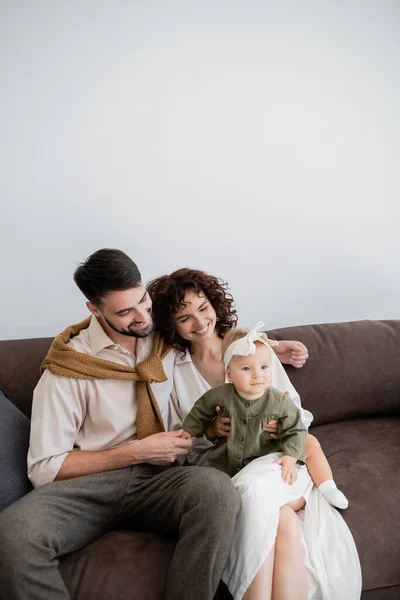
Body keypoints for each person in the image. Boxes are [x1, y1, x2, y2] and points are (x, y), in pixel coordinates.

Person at [0, 249, 240, 600]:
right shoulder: (68, 368)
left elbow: (213, 337)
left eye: (143, 300)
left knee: (217, 492)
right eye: (126, 311)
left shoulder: (164, 337)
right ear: (94, 310)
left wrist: (268, 348)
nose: (143, 316)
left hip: (162, 478)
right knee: (12, 535)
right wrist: (134, 452)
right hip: (89, 486)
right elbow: (44, 468)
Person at [148, 268, 361, 600]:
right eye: (184, 317)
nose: (199, 321)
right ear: (171, 325)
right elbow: (182, 438)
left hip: (276, 458)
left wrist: (278, 426)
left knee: (266, 502)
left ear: (214, 304)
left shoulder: (251, 348)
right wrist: (210, 430)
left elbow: (297, 415)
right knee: (283, 523)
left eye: (203, 308)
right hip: (226, 466)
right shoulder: (175, 368)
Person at [183, 325, 308, 483]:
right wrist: (189, 431)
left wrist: (290, 457)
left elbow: (296, 428)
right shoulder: (220, 394)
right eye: (246, 368)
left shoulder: (280, 400)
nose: (257, 375)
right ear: (230, 375)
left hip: (261, 460)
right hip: (225, 461)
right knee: (210, 481)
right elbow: (201, 409)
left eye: (264, 367)